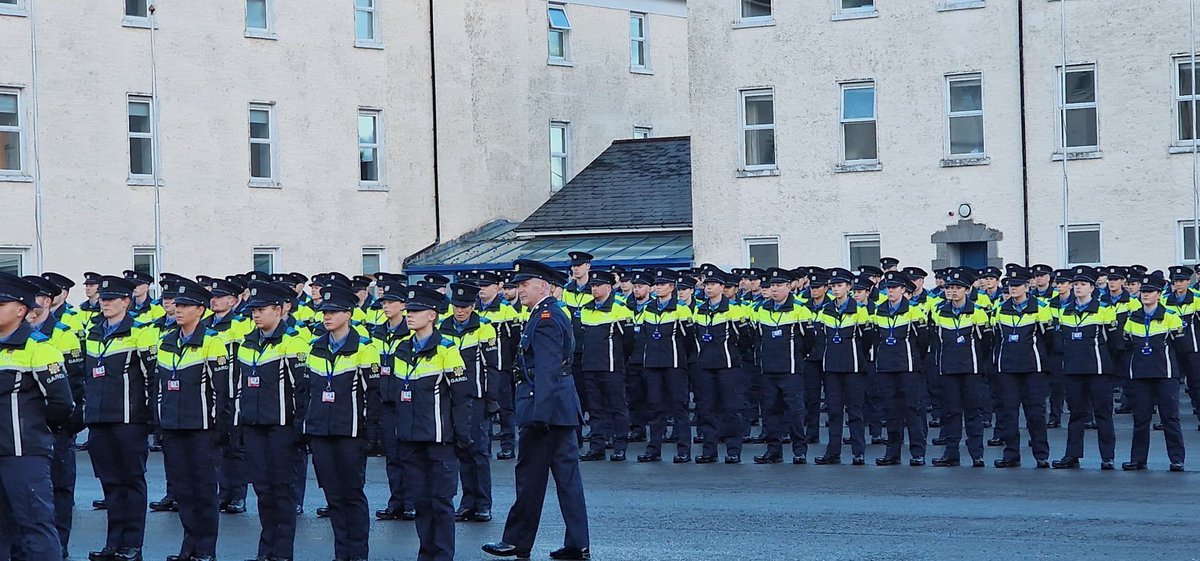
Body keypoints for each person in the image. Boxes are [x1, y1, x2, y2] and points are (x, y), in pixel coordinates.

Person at [483, 259, 589, 561]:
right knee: (567, 481)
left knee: (530, 478)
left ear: (542, 286)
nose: (520, 290)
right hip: (559, 410)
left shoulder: (544, 318)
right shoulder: (548, 314)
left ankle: (518, 541)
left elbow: (547, 370)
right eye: (519, 285)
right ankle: (577, 544)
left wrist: (539, 416)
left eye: (525, 285)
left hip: (546, 411)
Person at [300, 283, 381, 560]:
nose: (327, 316)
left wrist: (371, 433)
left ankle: (357, 553)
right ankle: (341, 552)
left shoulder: (365, 348)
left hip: (350, 433)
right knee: (334, 497)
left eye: (333, 312)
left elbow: (374, 394)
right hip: (321, 433)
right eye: (325, 311)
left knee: (352, 494)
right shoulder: (315, 348)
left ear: (348, 313)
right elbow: (305, 392)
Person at [153, 279, 230, 561]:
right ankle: (189, 545)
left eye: (185, 305)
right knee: (183, 490)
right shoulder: (166, 342)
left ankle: (206, 548)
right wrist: (159, 423)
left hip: (201, 429)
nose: (178, 309)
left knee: (204, 490)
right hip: (173, 427)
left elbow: (222, 391)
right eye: (177, 304)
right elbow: (159, 387)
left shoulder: (212, 342)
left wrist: (219, 427)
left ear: (200, 310)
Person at [393, 284, 471, 561]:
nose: (410, 315)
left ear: (433, 315)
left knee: (440, 503)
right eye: (408, 310)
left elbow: (462, 399)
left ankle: (443, 556)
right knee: (422, 503)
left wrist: (461, 437)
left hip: (440, 440)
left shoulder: (447, 350)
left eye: (416, 311)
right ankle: (426, 554)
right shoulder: (402, 349)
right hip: (411, 440)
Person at [84, 276, 158, 561]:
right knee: (111, 484)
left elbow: (153, 378)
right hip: (99, 420)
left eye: (111, 299)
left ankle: (132, 545)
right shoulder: (93, 332)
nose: (105, 303)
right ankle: (113, 543)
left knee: (132, 483)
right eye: (102, 299)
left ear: (126, 302)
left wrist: (151, 420)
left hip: (129, 420)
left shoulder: (141, 333)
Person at [235, 281, 310, 561]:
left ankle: (282, 551)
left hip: (282, 428)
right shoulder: (248, 343)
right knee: (263, 491)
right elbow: (240, 387)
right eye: (253, 309)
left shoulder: (293, 342)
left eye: (262, 309)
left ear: (279, 310)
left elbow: (302, 389)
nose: (256, 315)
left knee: (283, 491)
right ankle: (265, 549)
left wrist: (300, 429)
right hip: (254, 428)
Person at [0, 273, 73, 561]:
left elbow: (61, 403)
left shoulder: (39, 349)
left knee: (35, 526)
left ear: (21, 309)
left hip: (24, 453)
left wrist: (34, 430)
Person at [23, 275, 86, 556]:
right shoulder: (15, 335)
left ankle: (59, 546)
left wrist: (64, 421)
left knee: (59, 489)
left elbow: (75, 384)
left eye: (32, 299)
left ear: (47, 302)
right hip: (25, 430)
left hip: (57, 426)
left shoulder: (63, 334)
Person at [439, 282, 498, 523]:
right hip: (453, 398)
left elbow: (493, 367)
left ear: (473, 306)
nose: (460, 311)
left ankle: (483, 503)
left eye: (464, 306)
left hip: (477, 397)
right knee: (461, 450)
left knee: (479, 452)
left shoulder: (484, 328)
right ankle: (467, 502)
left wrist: (493, 398)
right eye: (456, 306)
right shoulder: (443, 327)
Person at [1052, 266, 1120, 470]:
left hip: (1098, 371)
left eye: (1082, 284)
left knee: (1103, 414)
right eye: (1076, 284)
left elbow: (1115, 343)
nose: (1078, 288)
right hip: (1073, 371)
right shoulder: (1066, 311)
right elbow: (1060, 342)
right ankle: (1072, 455)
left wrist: (1108, 368)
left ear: (1092, 287)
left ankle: (1107, 456)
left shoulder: (1105, 310)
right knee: (1075, 414)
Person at [1122, 271, 1186, 471]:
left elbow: (1181, 348)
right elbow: (1126, 345)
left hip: (1165, 375)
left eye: (1150, 292)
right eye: (1144, 292)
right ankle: (1138, 459)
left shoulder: (1171, 317)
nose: (1146, 295)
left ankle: (1177, 459)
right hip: (1140, 376)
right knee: (1140, 419)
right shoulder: (1133, 318)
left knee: (1170, 418)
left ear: (1159, 294)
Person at [990, 267, 1053, 468]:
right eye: (1010, 285)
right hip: (1008, 368)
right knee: (1009, 413)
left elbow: (1049, 339)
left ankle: (1041, 455)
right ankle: (1011, 455)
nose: (1013, 289)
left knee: (1035, 413)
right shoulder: (1000, 308)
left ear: (1027, 287)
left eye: (1017, 285)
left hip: (1032, 369)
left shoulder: (1041, 307)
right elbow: (995, 337)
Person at [929, 268, 992, 468]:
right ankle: (951, 453)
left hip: (971, 370)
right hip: (948, 370)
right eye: (949, 288)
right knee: (951, 413)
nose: (952, 291)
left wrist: (976, 362)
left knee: (973, 413)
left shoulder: (978, 311)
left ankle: (976, 454)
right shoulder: (938, 311)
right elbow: (935, 340)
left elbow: (986, 343)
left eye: (957, 288)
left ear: (966, 290)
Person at [751, 268, 812, 465]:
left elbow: (809, 340)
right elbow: (756, 337)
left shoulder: (800, 310)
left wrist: (797, 357)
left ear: (788, 287)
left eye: (779, 285)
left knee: (795, 412)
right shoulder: (762, 309)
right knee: (770, 412)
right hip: (768, 369)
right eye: (772, 286)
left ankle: (799, 451)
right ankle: (773, 450)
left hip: (791, 370)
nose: (774, 289)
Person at [868, 271, 929, 466]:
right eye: (888, 288)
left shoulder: (914, 311)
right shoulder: (878, 311)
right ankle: (892, 453)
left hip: (908, 368)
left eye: (894, 288)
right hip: (886, 368)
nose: (890, 291)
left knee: (913, 410)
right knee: (891, 411)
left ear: (903, 290)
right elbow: (873, 339)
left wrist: (913, 359)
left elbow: (923, 341)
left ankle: (917, 452)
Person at [370, 279, 417, 522]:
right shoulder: (378, 331)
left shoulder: (409, 331)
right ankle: (395, 501)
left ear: (403, 305)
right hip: (384, 399)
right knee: (392, 454)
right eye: (384, 302)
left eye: (391, 302)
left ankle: (410, 502)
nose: (386, 306)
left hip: (405, 400)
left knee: (407, 453)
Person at [692, 268, 751, 464]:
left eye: (713, 285)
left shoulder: (734, 310)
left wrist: (734, 356)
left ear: (722, 287)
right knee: (708, 409)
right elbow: (694, 337)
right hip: (706, 366)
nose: (709, 288)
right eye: (706, 285)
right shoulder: (699, 310)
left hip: (728, 366)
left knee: (731, 409)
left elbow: (745, 339)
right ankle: (709, 450)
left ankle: (733, 450)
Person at [635, 268, 693, 463]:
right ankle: (654, 450)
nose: (658, 288)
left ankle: (684, 450)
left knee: (679, 407)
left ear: (672, 287)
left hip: (674, 364)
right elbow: (643, 337)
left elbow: (688, 339)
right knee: (655, 408)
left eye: (662, 284)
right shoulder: (648, 309)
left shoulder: (681, 309)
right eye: (657, 284)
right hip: (653, 364)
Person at [815, 268, 871, 466]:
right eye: (834, 286)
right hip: (831, 368)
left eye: (840, 286)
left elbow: (868, 340)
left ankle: (858, 452)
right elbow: (819, 339)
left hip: (853, 368)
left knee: (855, 411)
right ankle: (833, 451)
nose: (836, 289)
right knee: (834, 412)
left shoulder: (860, 310)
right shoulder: (826, 310)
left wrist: (858, 359)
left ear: (848, 287)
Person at [578, 270, 634, 462]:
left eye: (598, 285)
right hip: (590, 366)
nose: (594, 289)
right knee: (595, 409)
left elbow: (629, 341)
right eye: (592, 286)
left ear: (608, 288)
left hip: (611, 366)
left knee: (617, 407)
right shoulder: (586, 309)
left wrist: (619, 360)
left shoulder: (620, 309)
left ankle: (619, 447)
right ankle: (597, 447)